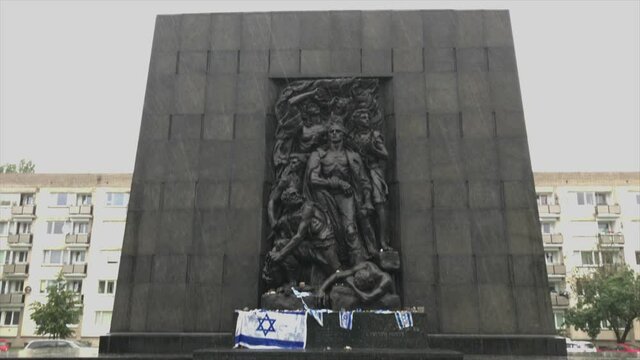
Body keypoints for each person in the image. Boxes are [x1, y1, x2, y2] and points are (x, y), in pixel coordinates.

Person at [304, 120, 376, 266]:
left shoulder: (353, 156)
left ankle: (360, 268)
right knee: (326, 234)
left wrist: (367, 201)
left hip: (347, 197)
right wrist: (335, 182)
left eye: (338, 131)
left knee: (350, 230)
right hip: (323, 197)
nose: (334, 134)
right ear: (327, 135)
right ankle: (335, 269)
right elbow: (312, 179)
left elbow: (364, 182)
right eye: (331, 131)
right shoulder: (318, 154)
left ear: (343, 135)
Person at [268, 187, 342, 286]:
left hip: (325, 245)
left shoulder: (308, 207)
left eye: (295, 193)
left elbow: (299, 236)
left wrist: (280, 254)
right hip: (312, 246)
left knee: (338, 272)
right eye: (292, 195)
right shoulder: (291, 214)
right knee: (280, 244)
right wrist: (271, 203)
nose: (296, 196)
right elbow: (276, 225)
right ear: (287, 202)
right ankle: (292, 282)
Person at [349, 108, 392, 251]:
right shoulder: (352, 136)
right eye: (362, 117)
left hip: (373, 170)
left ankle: (384, 242)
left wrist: (373, 150)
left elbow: (385, 154)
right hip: (357, 172)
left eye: (367, 117)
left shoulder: (374, 135)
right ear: (356, 120)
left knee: (379, 203)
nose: (365, 119)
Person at [317, 261, 395, 307]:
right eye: (355, 281)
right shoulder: (366, 266)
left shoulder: (386, 281)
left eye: (359, 285)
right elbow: (338, 275)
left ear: (370, 283)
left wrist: (352, 285)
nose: (355, 284)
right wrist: (322, 289)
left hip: (376, 298)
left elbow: (367, 299)